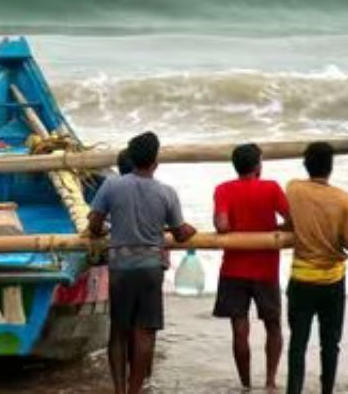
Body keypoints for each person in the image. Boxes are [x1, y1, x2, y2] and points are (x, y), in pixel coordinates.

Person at [88, 131, 196, 394]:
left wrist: (101, 231)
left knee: (118, 332)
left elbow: (94, 223)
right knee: (144, 333)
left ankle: (119, 390)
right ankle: (135, 389)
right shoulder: (166, 192)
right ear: (155, 162)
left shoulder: (112, 185)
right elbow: (180, 234)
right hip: (150, 267)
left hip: (120, 267)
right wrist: (189, 230)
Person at [212, 143, 290, 390]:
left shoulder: (223, 189)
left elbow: (222, 226)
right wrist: (274, 231)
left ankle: (245, 385)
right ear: (258, 165)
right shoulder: (271, 188)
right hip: (265, 269)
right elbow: (293, 220)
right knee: (273, 325)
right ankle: (270, 381)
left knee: (239, 330)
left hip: (233, 268)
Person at [284, 141, 348, 394]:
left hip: (302, 278)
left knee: (298, 344)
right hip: (331, 281)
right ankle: (326, 390)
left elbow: (289, 219)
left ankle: (293, 390)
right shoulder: (343, 200)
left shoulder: (293, 189)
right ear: (331, 168)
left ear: (306, 165)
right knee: (330, 344)